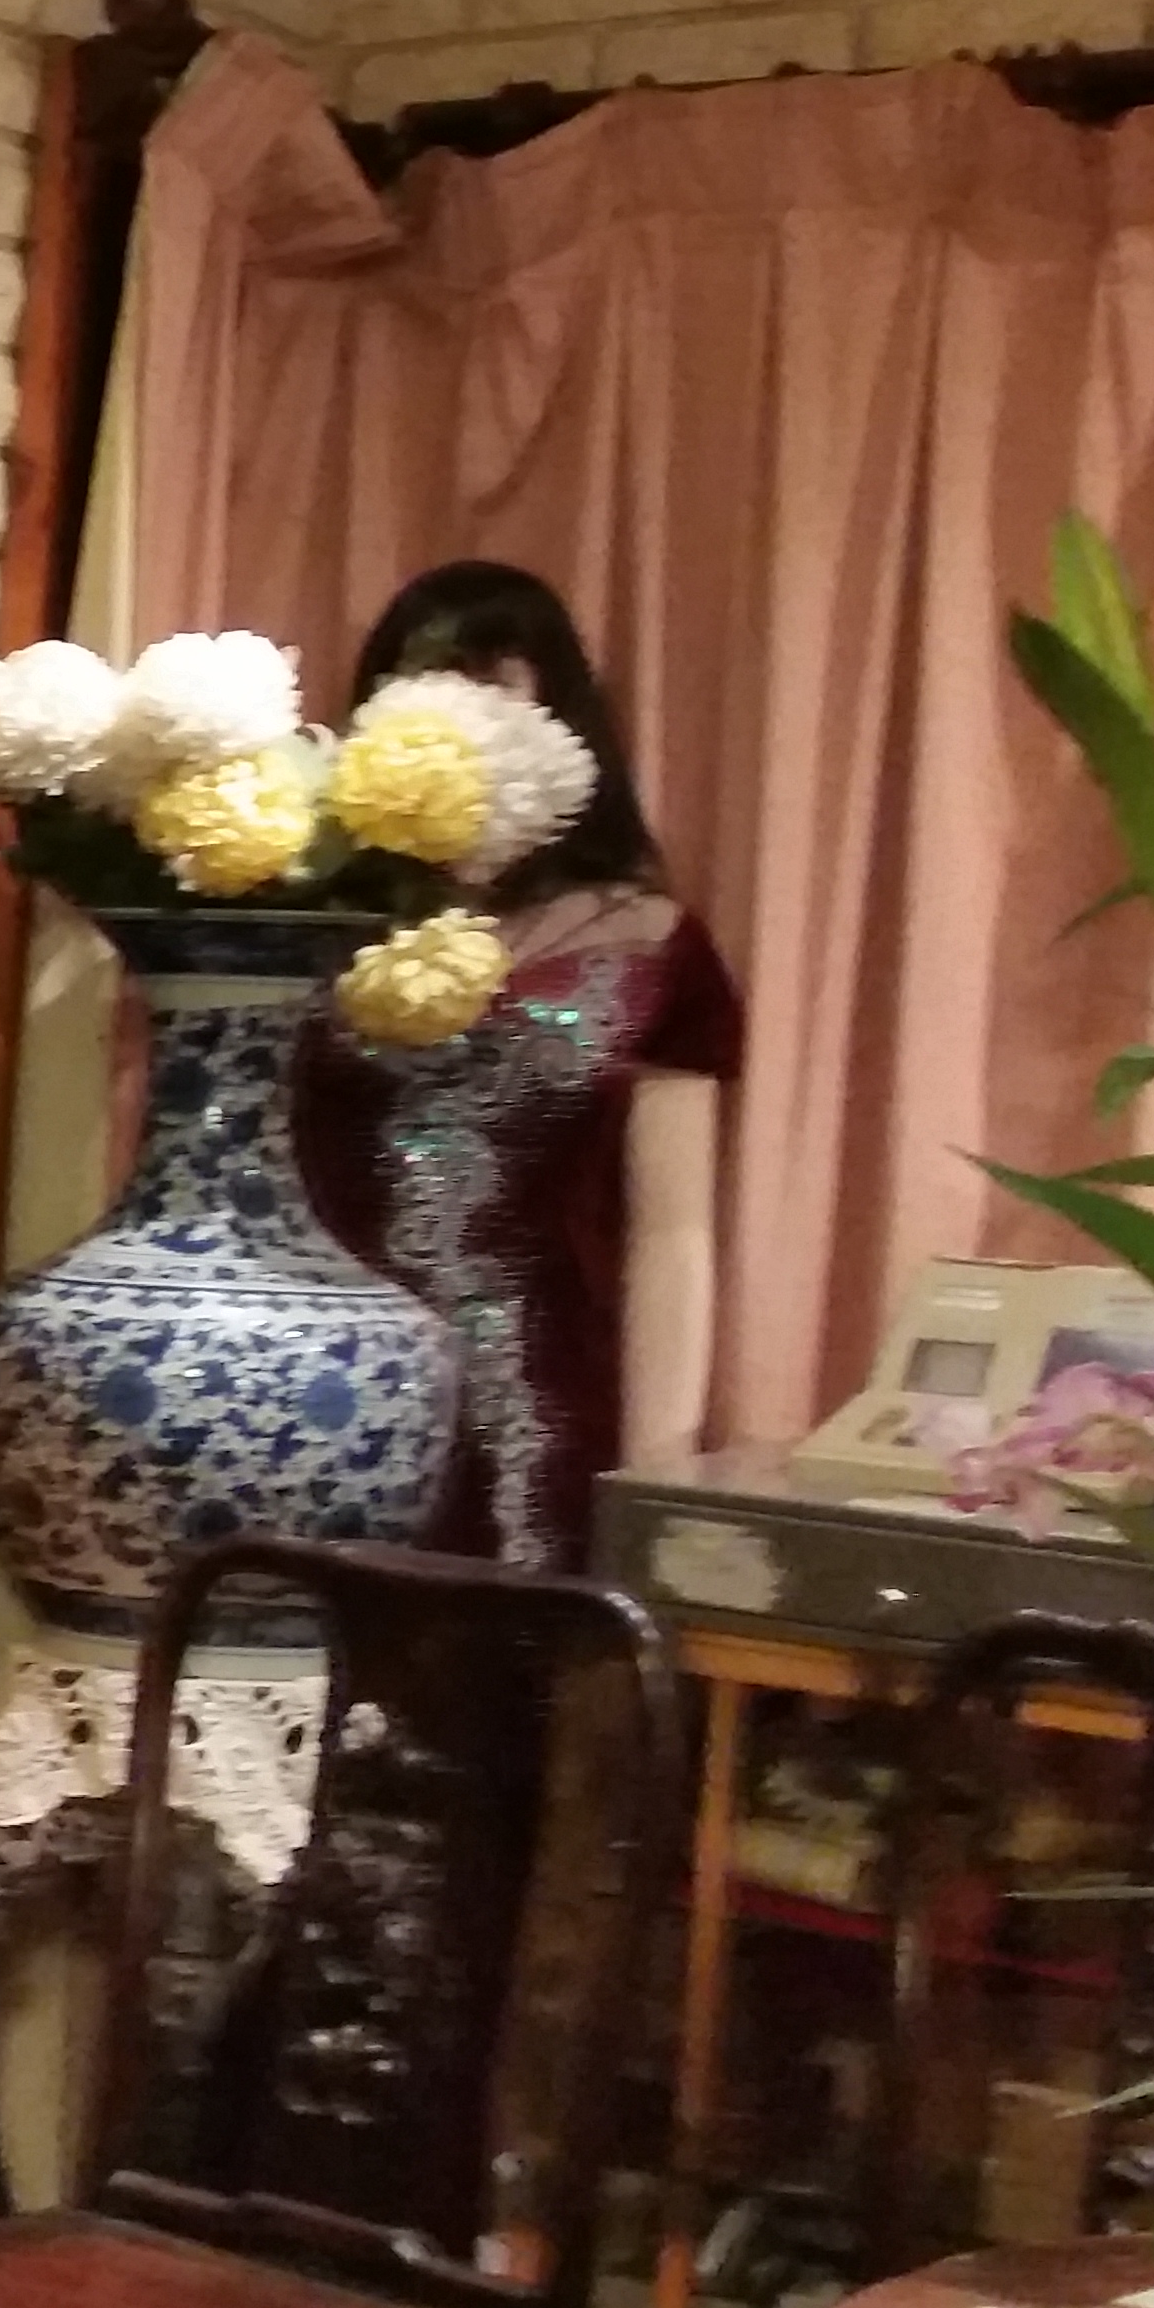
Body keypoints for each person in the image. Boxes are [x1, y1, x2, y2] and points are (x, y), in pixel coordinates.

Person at [292, 560, 743, 1569]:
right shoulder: (300, 926)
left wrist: (656, 1468)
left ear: (555, 708)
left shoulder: (648, 942)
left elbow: (673, 1230)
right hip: (324, 1396)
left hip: (539, 1405)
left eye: (489, 680)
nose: (457, 713)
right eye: (426, 681)